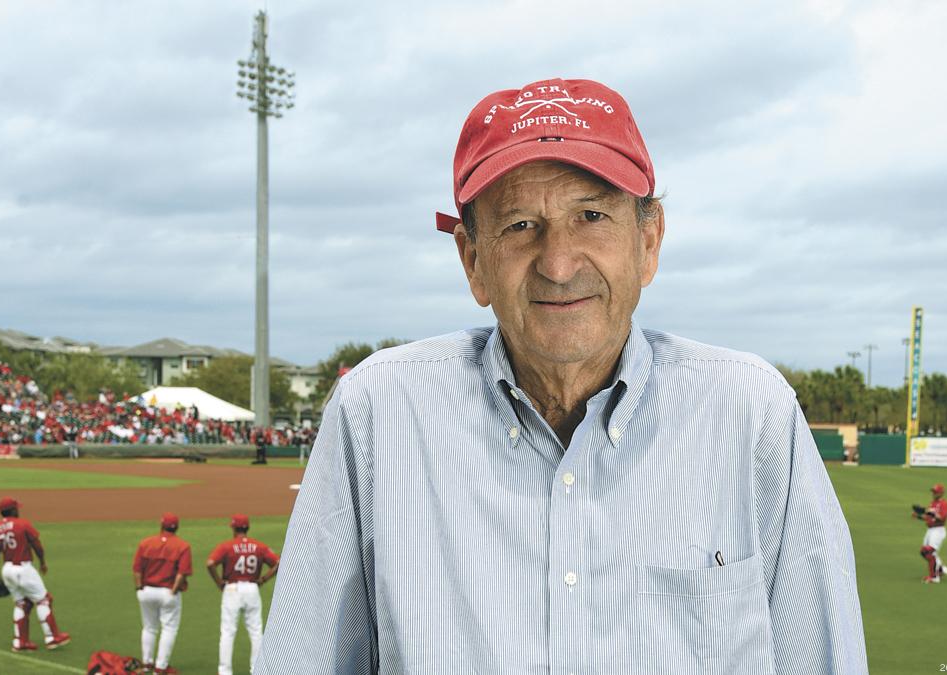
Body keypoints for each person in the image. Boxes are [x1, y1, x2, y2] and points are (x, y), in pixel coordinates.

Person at [256, 77, 867, 674]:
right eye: (520, 225)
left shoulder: (753, 412)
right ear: (473, 260)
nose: (558, 263)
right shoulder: (378, 411)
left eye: (592, 216)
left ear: (648, 240)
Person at [0, 497, 72, 652]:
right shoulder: (23, 524)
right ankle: (52, 637)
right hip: (24, 568)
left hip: (7, 569)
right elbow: (36, 544)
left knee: (21, 603)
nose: (18, 510)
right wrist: (42, 561)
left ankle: (20, 642)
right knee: (43, 600)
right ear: (13, 510)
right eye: (16, 508)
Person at [206, 514, 280, 675]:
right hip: (252, 589)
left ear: (233, 528)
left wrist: (219, 582)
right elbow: (278, 563)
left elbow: (210, 563)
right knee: (256, 631)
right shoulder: (258, 546)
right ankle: (256, 669)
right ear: (247, 528)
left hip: (232, 589)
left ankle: (224, 671)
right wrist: (263, 579)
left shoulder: (227, 546)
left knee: (227, 631)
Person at [133, 512, 192, 674]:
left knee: (149, 627)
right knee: (169, 629)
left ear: (161, 525)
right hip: (167, 592)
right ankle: (161, 667)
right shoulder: (182, 546)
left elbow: (137, 569)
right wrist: (173, 591)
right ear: (177, 528)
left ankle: (147, 663)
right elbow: (182, 572)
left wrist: (139, 588)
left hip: (147, 591)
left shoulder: (146, 543)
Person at [914, 483, 947, 583]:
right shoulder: (932, 503)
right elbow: (929, 517)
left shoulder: (944, 504)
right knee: (924, 552)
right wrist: (919, 516)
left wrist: (926, 511)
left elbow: (941, 518)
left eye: (935, 492)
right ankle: (940, 569)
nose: (933, 493)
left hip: (938, 530)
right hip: (930, 530)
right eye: (933, 491)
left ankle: (934, 577)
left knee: (928, 551)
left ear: (941, 493)